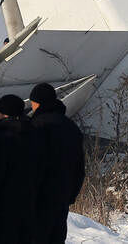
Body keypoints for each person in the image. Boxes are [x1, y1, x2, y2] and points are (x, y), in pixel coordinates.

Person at [29, 83, 85, 244]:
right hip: (62, 196)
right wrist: (70, 195)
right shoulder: (72, 128)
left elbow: (29, 163)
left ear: (37, 102)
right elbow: (79, 168)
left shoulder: (35, 126)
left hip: (38, 197)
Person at [0, 94, 40, 244]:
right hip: (30, 204)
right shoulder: (35, 136)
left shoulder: (1, 140)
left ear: (5, 114)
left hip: (3, 206)